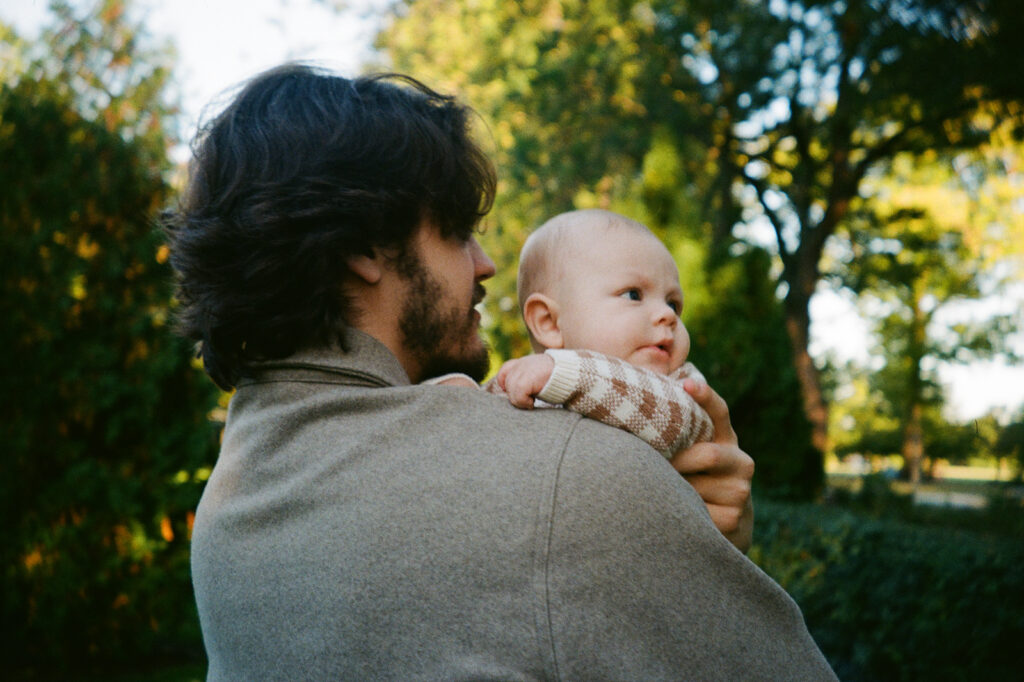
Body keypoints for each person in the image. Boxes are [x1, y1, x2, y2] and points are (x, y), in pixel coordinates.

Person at [164, 62, 837, 680]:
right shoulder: (574, 478)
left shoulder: (230, 508)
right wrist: (714, 553)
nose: (486, 265)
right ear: (362, 246)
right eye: (457, 230)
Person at [434, 208, 715, 460]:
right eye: (633, 294)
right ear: (549, 322)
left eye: (673, 303)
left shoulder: (678, 384)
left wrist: (569, 375)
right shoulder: (531, 382)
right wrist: (465, 400)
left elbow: (675, 422)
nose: (667, 315)